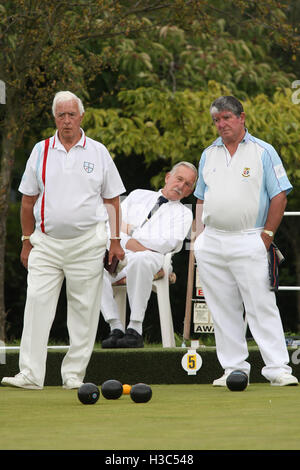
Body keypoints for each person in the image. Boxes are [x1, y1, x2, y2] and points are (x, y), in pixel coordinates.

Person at [1, 91, 125, 390]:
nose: (66, 121)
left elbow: (112, 200)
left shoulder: (98, 152)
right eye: (61, 115)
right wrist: (27, 241)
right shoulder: (40, 150)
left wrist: (115, 240)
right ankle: (30, 375)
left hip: (87, 242)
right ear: (54, 118)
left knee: (83, 309)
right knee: (37, 303)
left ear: (81, 116)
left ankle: (73, 376)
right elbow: (29, 202)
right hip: (46, 243)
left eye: (71, 115)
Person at [193, 95, 298, 386]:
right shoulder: (208, 154)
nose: (222, 124)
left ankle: (278, 368)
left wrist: (266, 236)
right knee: (222, 307)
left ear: (242, 118)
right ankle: (234, 369)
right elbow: (201, 197)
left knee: (260, 304)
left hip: (250, 237)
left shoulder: (263, 151)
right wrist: (197, 238)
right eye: (217, 119)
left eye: (227, 117)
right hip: (212, 240)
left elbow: (280, 194)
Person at [100, 162, 198, 348]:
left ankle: (135, 329)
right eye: (179, 179)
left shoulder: (184, 214)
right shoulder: (137, 195)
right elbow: (110, 224)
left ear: (188, 192)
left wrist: (129, 233)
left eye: (188, 185)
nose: (181, 186)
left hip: (155, 258)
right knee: (91, 265)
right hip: (120, 253)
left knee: (140, 259)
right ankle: (116, 327)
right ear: (168, 177)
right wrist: (125, 240)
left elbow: (167, 243)